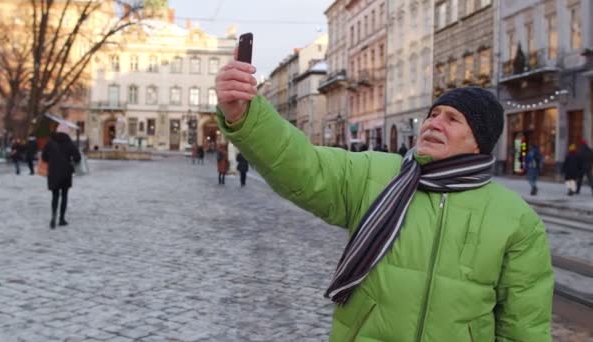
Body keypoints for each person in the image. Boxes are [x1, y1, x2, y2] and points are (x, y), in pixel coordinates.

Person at [215, 59, 553, 341]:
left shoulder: (517, 220)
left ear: (479, 140)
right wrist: (245, 116)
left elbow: (524, 326)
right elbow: (303, 166)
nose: (434, 123)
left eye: (452, 119)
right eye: (434, 114)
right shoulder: (375, 174)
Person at [41, 124, 81, 229]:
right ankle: (61, 219)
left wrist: (52, 160)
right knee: (64, 195)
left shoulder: (50, 142)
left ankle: (53, 216)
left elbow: (44, 157)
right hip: (66, 173)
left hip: (53, 172)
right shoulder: (70, 143)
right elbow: (77, 158)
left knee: (55, 196)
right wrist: (71, 161)